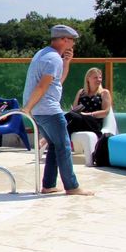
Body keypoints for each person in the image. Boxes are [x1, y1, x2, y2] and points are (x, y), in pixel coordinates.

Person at [23, 25, 92, 196]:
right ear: (63, 40)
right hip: (49, 110)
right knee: (64, 147)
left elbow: (57, 82)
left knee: (54, 145)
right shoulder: (54, 59)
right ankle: (72, 186)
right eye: (71, 41)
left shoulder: (44, 54)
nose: (73, 45)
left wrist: (67, 62)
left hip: (40, 111)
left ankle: (48, 185)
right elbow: (42, 85)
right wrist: (27, 108)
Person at [66, 67, 112, 137]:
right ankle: (61, 145)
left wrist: (89, 114)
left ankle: (51, 143)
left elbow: (106, 112)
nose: (99, 80)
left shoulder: (104, 93)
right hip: (79, 121)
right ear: (88, 79)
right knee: (72, 119)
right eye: (95, 78)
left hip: (94, 123)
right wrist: (75, 110)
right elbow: (74, 110)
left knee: (70, 117)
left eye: (100, 77)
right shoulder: (81, 92)